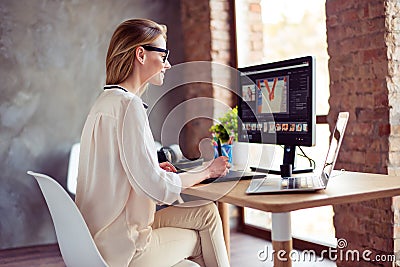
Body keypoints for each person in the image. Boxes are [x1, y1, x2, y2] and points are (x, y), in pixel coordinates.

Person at [75, 18, 230, 267]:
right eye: (164, 54)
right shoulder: (129, 106)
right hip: (124, 248)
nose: (168, 65)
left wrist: (152, 170)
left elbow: (120, 172)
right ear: (141, 54)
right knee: (201, 235)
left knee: (206, 213)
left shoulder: (105, 102)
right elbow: (158, 190)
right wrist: (207, 170)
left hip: (97, 238)